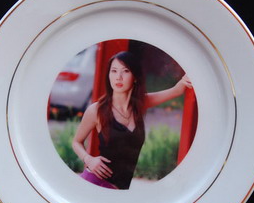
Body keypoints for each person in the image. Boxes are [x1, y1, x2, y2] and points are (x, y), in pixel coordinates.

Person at [72, 51, 192, 190]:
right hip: (95, 184)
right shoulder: (97, 110)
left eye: (125, 71)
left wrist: (190, 74)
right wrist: (88, 159)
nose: (118, 77)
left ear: (135, 76)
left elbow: (177, 90)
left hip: (119, 191)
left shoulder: (140, 104)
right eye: (114, 71)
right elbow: (76, 142)